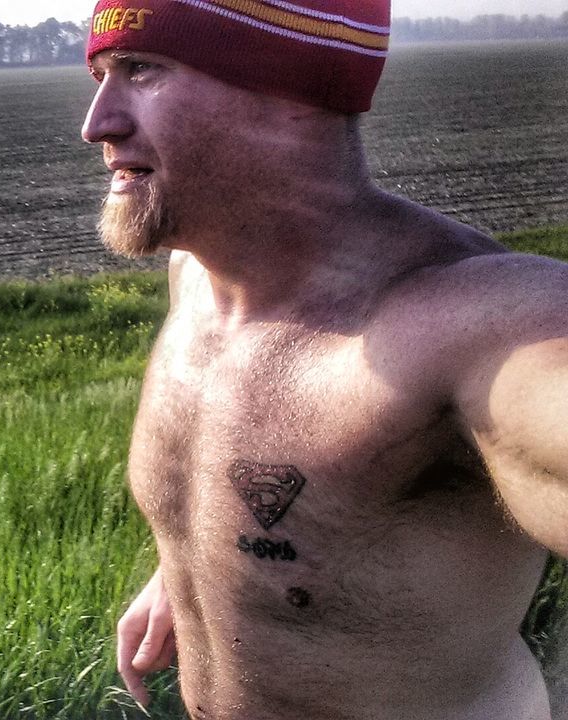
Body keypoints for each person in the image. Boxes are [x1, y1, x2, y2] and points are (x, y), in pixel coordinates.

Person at [79, 0, 568, 717]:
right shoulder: (199, 275)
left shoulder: (475, 330)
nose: (96, 124)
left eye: (143, 70)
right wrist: (200, 565)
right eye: (102, 73)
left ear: (290, 88)